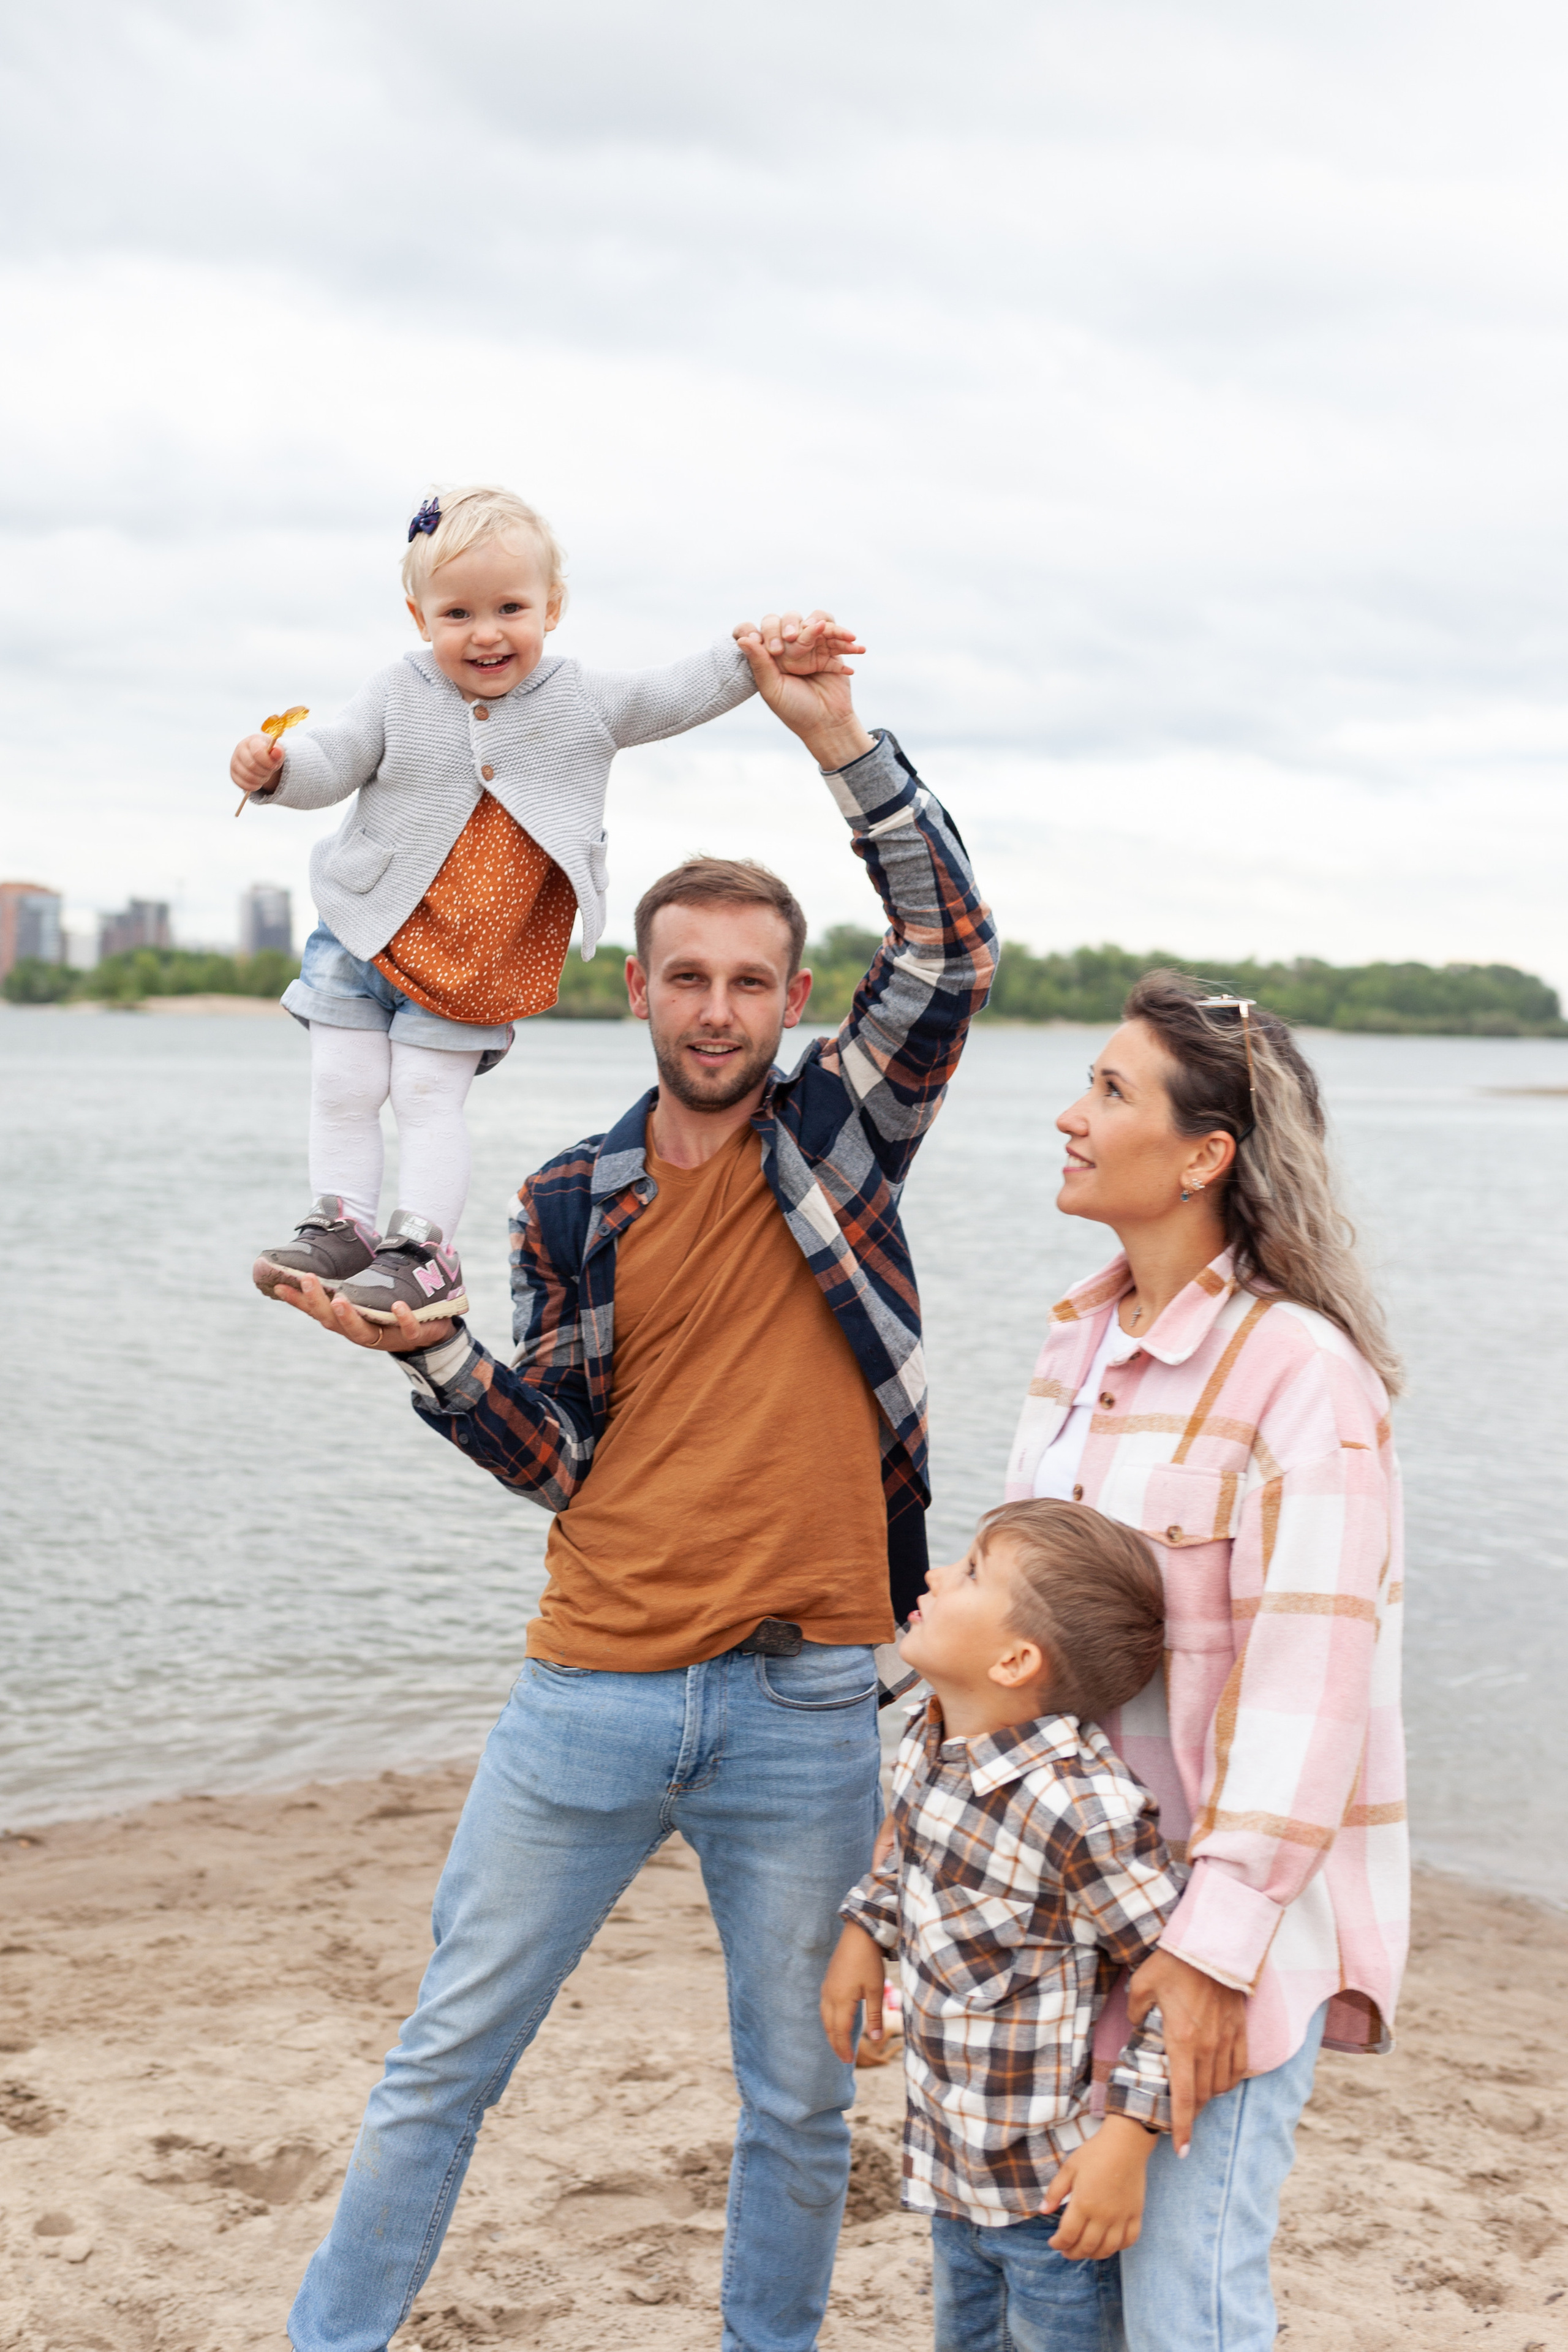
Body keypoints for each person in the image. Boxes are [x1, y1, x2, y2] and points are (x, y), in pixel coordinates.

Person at [273, 615, 998, 2352]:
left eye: (754, 981)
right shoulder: (564, 1199)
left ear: (793, 1000)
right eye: (690, 976)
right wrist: (435, 1361)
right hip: (585, 1692)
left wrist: (838, 742)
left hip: (809, 1704)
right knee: (446, 2060)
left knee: (803, 2106)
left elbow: (953, 949)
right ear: (637, 987)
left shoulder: (842, 1134)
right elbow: (568, 1457)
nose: (721, 1008)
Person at [1005, 973, 1408, 2351]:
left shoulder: (1304, 1379)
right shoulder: (1078, 1344)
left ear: (1202, 1155)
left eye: (1109, 1092)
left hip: (1206, 1941)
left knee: (1188, 2311)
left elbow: (1307, 1692)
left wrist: (1213, 1953)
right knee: (1064, 2300)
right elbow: (1022, 1640)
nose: (1069, 1117)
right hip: (1060, 1928)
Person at [230, 482, 862, 1324]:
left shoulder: (581, 701)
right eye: (457, 614)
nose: (485, 633)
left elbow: (673, 693)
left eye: (510, 608)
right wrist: (278, 770)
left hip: (475, 957)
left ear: (552, 608)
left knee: (425, 1095)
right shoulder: (397, 690)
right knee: (342, 1084)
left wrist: (761, 650)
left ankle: (422, 1251)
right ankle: (341, 1220)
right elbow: (332, 757)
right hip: (364, 926)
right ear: (421, 619)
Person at [821, 1499, 1183, 2352]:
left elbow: (1178, 1982)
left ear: (1017, 1659)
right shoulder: (925, 1736)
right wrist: (862, 1935)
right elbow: (904, 1863)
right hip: (948, 2168)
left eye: (972, 1571)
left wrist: (1129, 2138)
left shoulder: (1083, 1807)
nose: (937, 1576)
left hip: (1050, 2197)